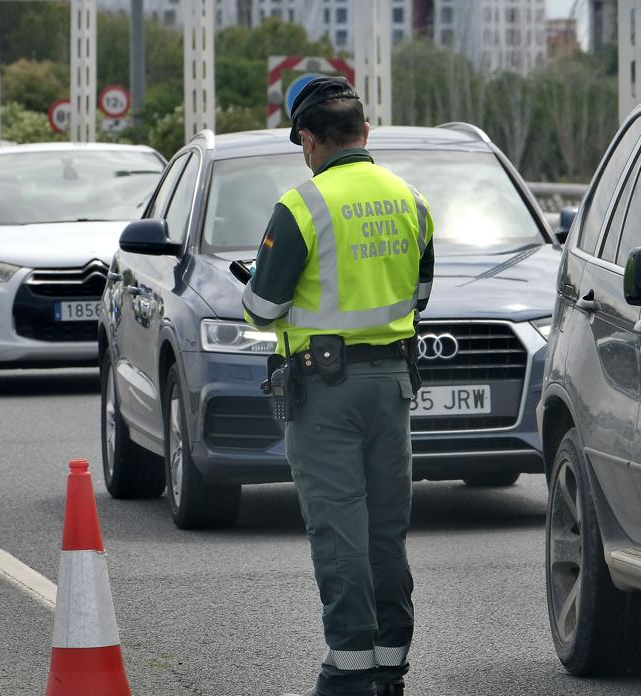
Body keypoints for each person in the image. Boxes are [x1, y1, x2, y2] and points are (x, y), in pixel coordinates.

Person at [241, 75, 434, 696]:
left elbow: (263, 308)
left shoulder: (301, 206)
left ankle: (349, 671)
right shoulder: (411, 199)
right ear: (365, 132)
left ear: (310, 140)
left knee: (339, 529)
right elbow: (420, 295)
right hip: (393, 385)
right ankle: (389, 666)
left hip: (325, 391)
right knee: (385, 531)